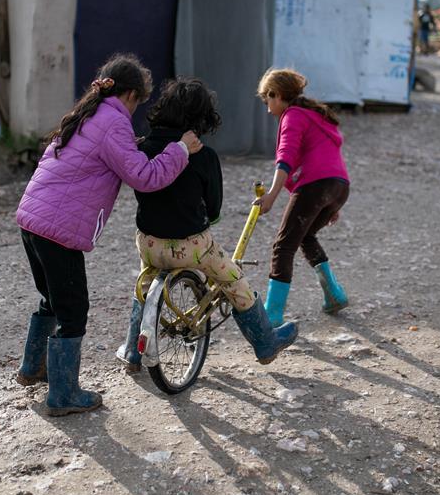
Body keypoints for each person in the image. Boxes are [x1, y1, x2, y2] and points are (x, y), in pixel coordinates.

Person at [15, 54, 202, 416]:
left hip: (32, 220)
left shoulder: (87, 114)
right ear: (130, 95)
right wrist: (180, 150)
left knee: (52, 300)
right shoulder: (113, 122)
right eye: (138, 102)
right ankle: (63, 395)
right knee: (73, 310)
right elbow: (145, 177)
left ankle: (33, 367)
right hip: (59, 229)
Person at [116, 78, 298, 371]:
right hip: (192, 246)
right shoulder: (204, 156)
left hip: (150, 244)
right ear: (203, 118)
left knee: (143, 286)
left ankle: (133, 353)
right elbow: (213, 209)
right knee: (234, 281)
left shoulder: (144, 147)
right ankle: (265, 342)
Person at [254, 68, 351, 326]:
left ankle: (272, 314)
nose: (268, 109)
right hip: (339, 187)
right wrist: (332, 203)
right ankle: (334, 293)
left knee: (283, 246)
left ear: (277, 94)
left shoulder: (293, 116)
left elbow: (285, 158)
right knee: (305, 235)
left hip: (316, 185)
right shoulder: (317, 116)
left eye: (267, 100)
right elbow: (329, 158)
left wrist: (272, 196)